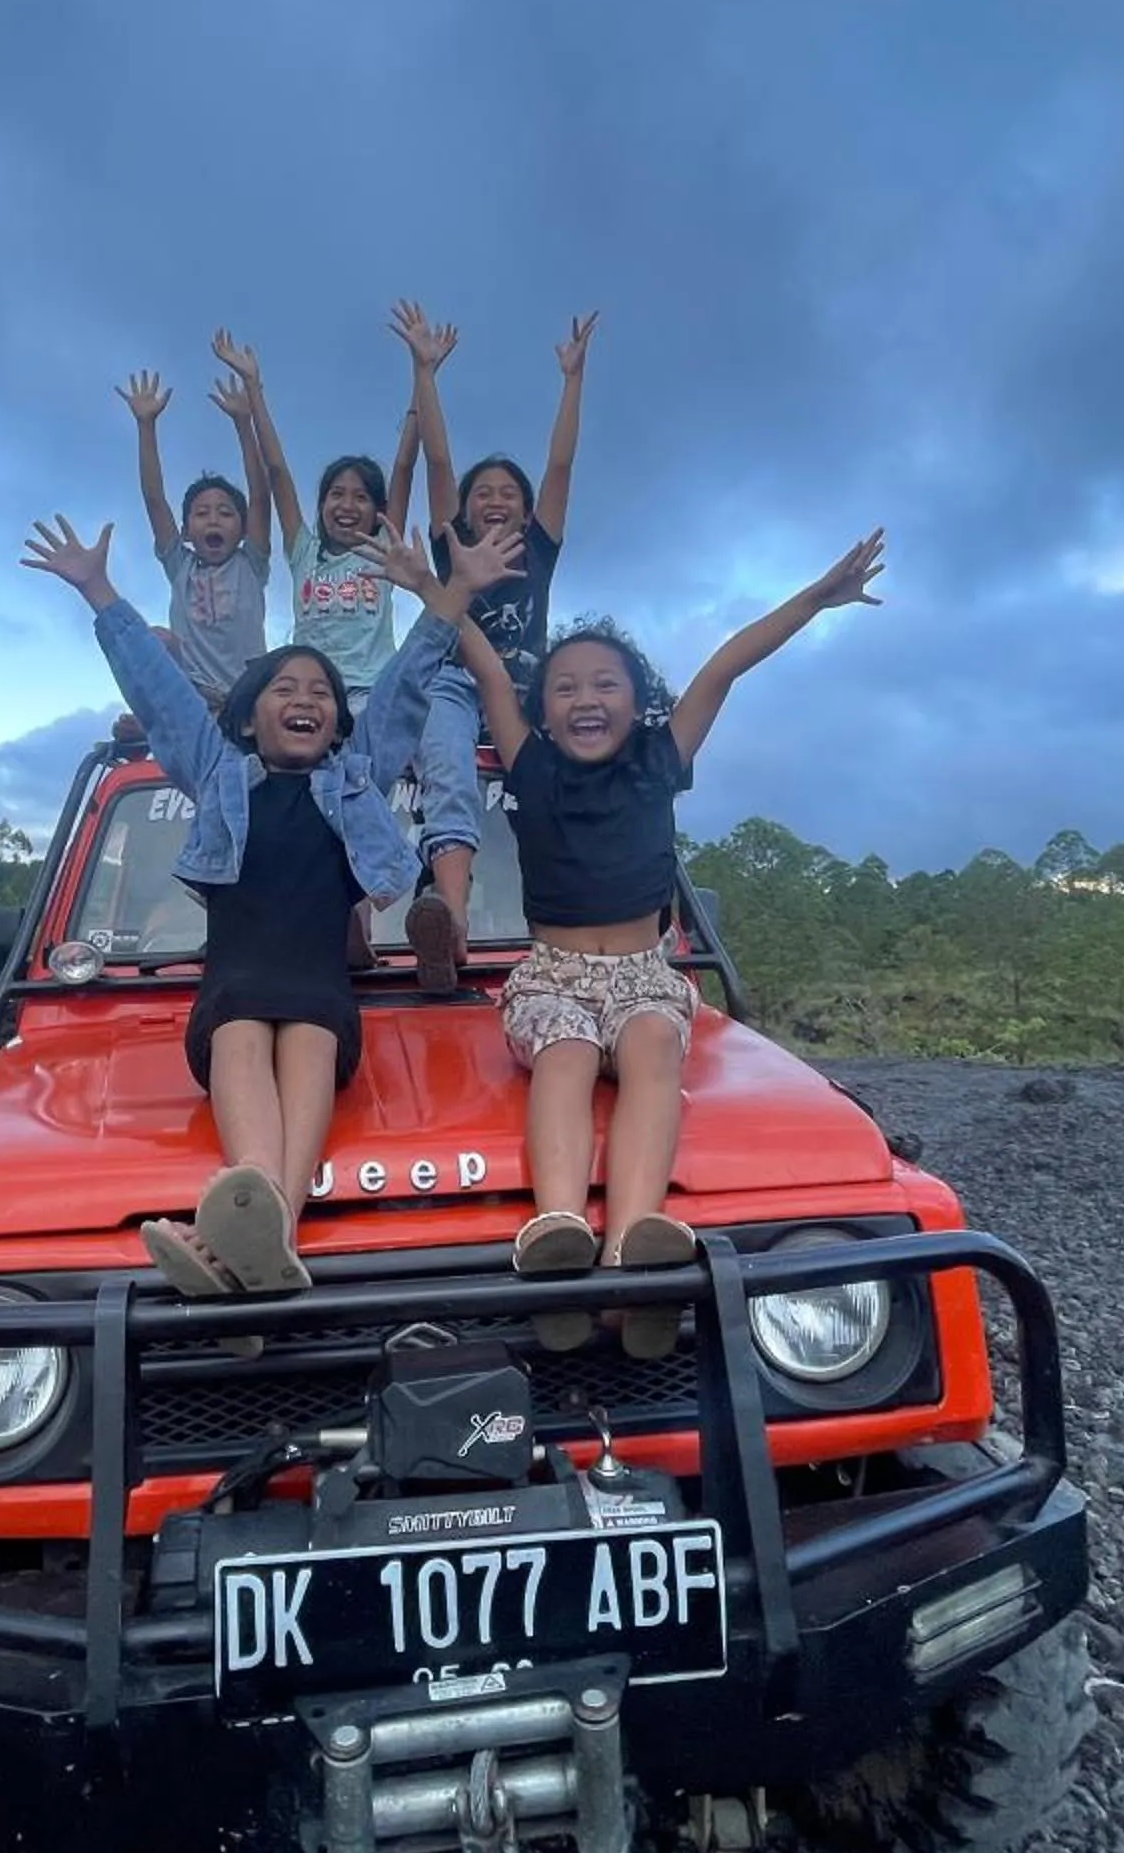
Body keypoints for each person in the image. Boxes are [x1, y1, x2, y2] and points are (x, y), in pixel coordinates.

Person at [20, 509, 526, 1329]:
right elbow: (160, 690)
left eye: (321, 692)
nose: (305, 700)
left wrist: (455, 593)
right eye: (284, 689)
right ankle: (263, 1221)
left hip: (324, 993)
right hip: (233, 992)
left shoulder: (356, 780)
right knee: (246, 1027)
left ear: (338, 723)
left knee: (313, 1031)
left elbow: (401, 689)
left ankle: (250, 1236)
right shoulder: (218, 771)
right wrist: (101, 594)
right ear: (248, 715)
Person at [451, 530, 888, 1356]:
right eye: (565, 686)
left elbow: (725, 664)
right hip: (553, 975)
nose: (586, 697)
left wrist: (813, 598)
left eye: (605, 683)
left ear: (637, 697)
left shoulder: (662, 756)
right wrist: (433, 590)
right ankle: (555, 1238)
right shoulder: (529, 766)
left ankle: (631, 1255)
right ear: (539, 709)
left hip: (646, 975)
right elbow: (481, 664)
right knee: (568, 1055)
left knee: (655, 1049)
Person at [393, 301, 598, 993]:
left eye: (509, 492)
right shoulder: (453, 546)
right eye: (484, 493)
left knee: (551, 788)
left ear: (526, 506)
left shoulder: (540, 548)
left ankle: (573, 925)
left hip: (524, 696)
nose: (496, 500)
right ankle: (449, 919)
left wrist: (573, 379)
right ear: (466, 508)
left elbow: (562, 462)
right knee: (447, 771)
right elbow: (440, 457)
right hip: (454, 683)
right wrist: (425, 372)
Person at [210, 328, 420, 717]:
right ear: (322, 504)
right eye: (337, 494)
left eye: (361, 497)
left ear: (379, 511)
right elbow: (276, 472)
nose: (347, 505)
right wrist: (254, 387)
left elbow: (405, 466)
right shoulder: (304, 551)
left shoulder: (381, 551)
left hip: (371, 692)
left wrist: (422, 375)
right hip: (313, 694)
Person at [122, 365, 272, 708]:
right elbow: (154, 498)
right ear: (187, 531)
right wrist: (146, 426)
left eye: (226, 513)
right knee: (156, 639)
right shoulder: (180, 566)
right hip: (193, 694)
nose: (213, 520)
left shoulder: (252, 563)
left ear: (244, 528)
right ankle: (145, 718)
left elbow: (261, 497)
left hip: (247, 695)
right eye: (202, 514)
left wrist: (243, 424)